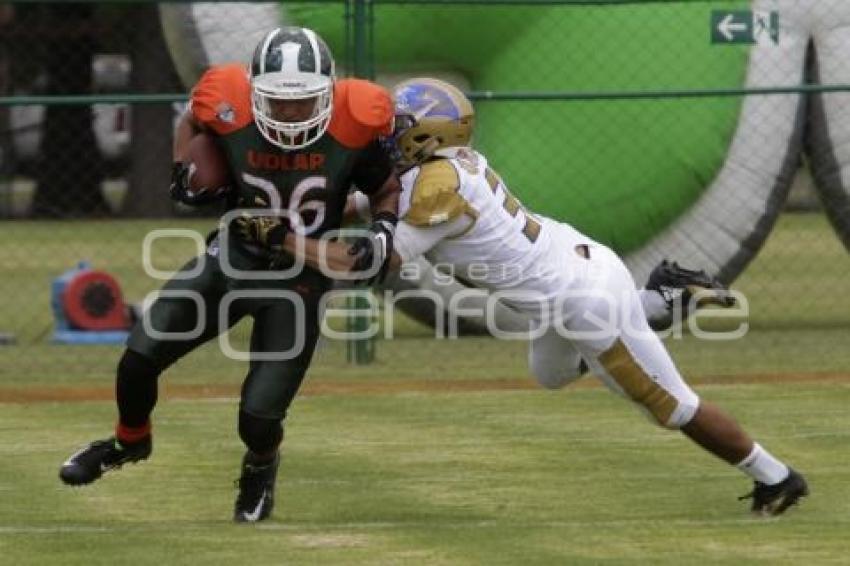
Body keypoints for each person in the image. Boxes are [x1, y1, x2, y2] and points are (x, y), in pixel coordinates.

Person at [240, 77, 808, 516]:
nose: (385, 133)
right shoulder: (442, 168)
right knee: (551, 375)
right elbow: (363, 208)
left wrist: (285, 240)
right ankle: (663, 297)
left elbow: (365, 264)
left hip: (583, 302)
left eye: (399, 125)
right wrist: (298, 217)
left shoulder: (436, 188)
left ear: (426, 136)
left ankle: (776, 477)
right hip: (577, 266)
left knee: (672, 407)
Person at [59, 26, 401, 523]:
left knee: (259, 417)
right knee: (138, 357)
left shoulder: (355, 121)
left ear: (327, 92)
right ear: (254, 92)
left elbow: (385, 185)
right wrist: (184, 168)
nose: (288, 112)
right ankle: (129, 441)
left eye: (303, 101)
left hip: (297, 279)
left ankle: (261, 464)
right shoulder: (226, 102)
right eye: (277, 101)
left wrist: (385, 228)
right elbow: (193, 122)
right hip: (232, 257)